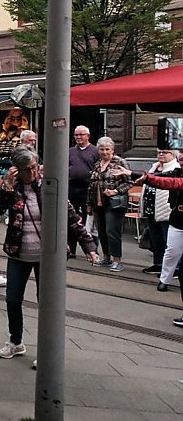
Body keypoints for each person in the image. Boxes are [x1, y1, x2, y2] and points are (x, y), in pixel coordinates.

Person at [0, 148, 100, 360]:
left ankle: (46, 350)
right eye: (26, 169)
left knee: (47, 303)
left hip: (47, 257)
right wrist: (6, 187)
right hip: (18, 253)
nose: (33, 172)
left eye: (34, 167)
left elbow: (71, 218)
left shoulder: (49, 186)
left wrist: (89, 247)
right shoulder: (12, 188)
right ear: (16, 170)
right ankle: (16, 341)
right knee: (13, 300)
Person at [112, 166, 183, 304]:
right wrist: (134, 173)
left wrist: (146, 178)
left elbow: (174, 183)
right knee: (172, 251)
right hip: (178, 221)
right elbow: (161, 177)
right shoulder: (176, 171)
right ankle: (164, 279)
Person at [87, 136, 132, 271]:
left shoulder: (120, 162)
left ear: (113, 150)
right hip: (98, 202)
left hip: (114, 204)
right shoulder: (97, 163)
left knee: (112, 231)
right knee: (101, 231)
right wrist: (89, 203)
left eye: (107, 149)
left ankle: (117, 260)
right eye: (101, 149)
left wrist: (116, 191)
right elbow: (91, 184)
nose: (104, 152)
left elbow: (130, 182)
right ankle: (106, 258)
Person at [140, 150, 180, 275]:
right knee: (155, 239)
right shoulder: (154, 166)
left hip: (166, 210)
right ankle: (158, 264)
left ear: (173, 155)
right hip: (152, 209)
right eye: (159, 152)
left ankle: (175, 269)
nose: (161, 154)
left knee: (169, 242)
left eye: (165, 152)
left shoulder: (175, 168)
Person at [68, 125, 100, 254]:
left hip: (88, 189)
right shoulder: (69, 151)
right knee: (70, 218)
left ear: (88, 135)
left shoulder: (96, 151)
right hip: (71, 188)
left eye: (81, 134)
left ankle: (93, 249)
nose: (78, 137)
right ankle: (71, 248)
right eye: (76, 135)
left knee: (90, 220)